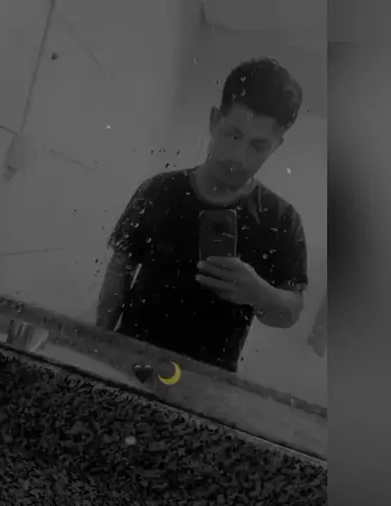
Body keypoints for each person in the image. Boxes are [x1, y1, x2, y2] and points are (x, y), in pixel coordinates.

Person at [97, 58, 308, 372]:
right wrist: (99, 346)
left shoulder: (282, 219)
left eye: (258, 146)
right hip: (130, 361)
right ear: (213, 120)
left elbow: (291, 312)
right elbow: (119, 270)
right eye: (232, 135)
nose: (238, 157)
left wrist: (258, 292)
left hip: (211, 383)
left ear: (276, 146)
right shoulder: (158, 189)